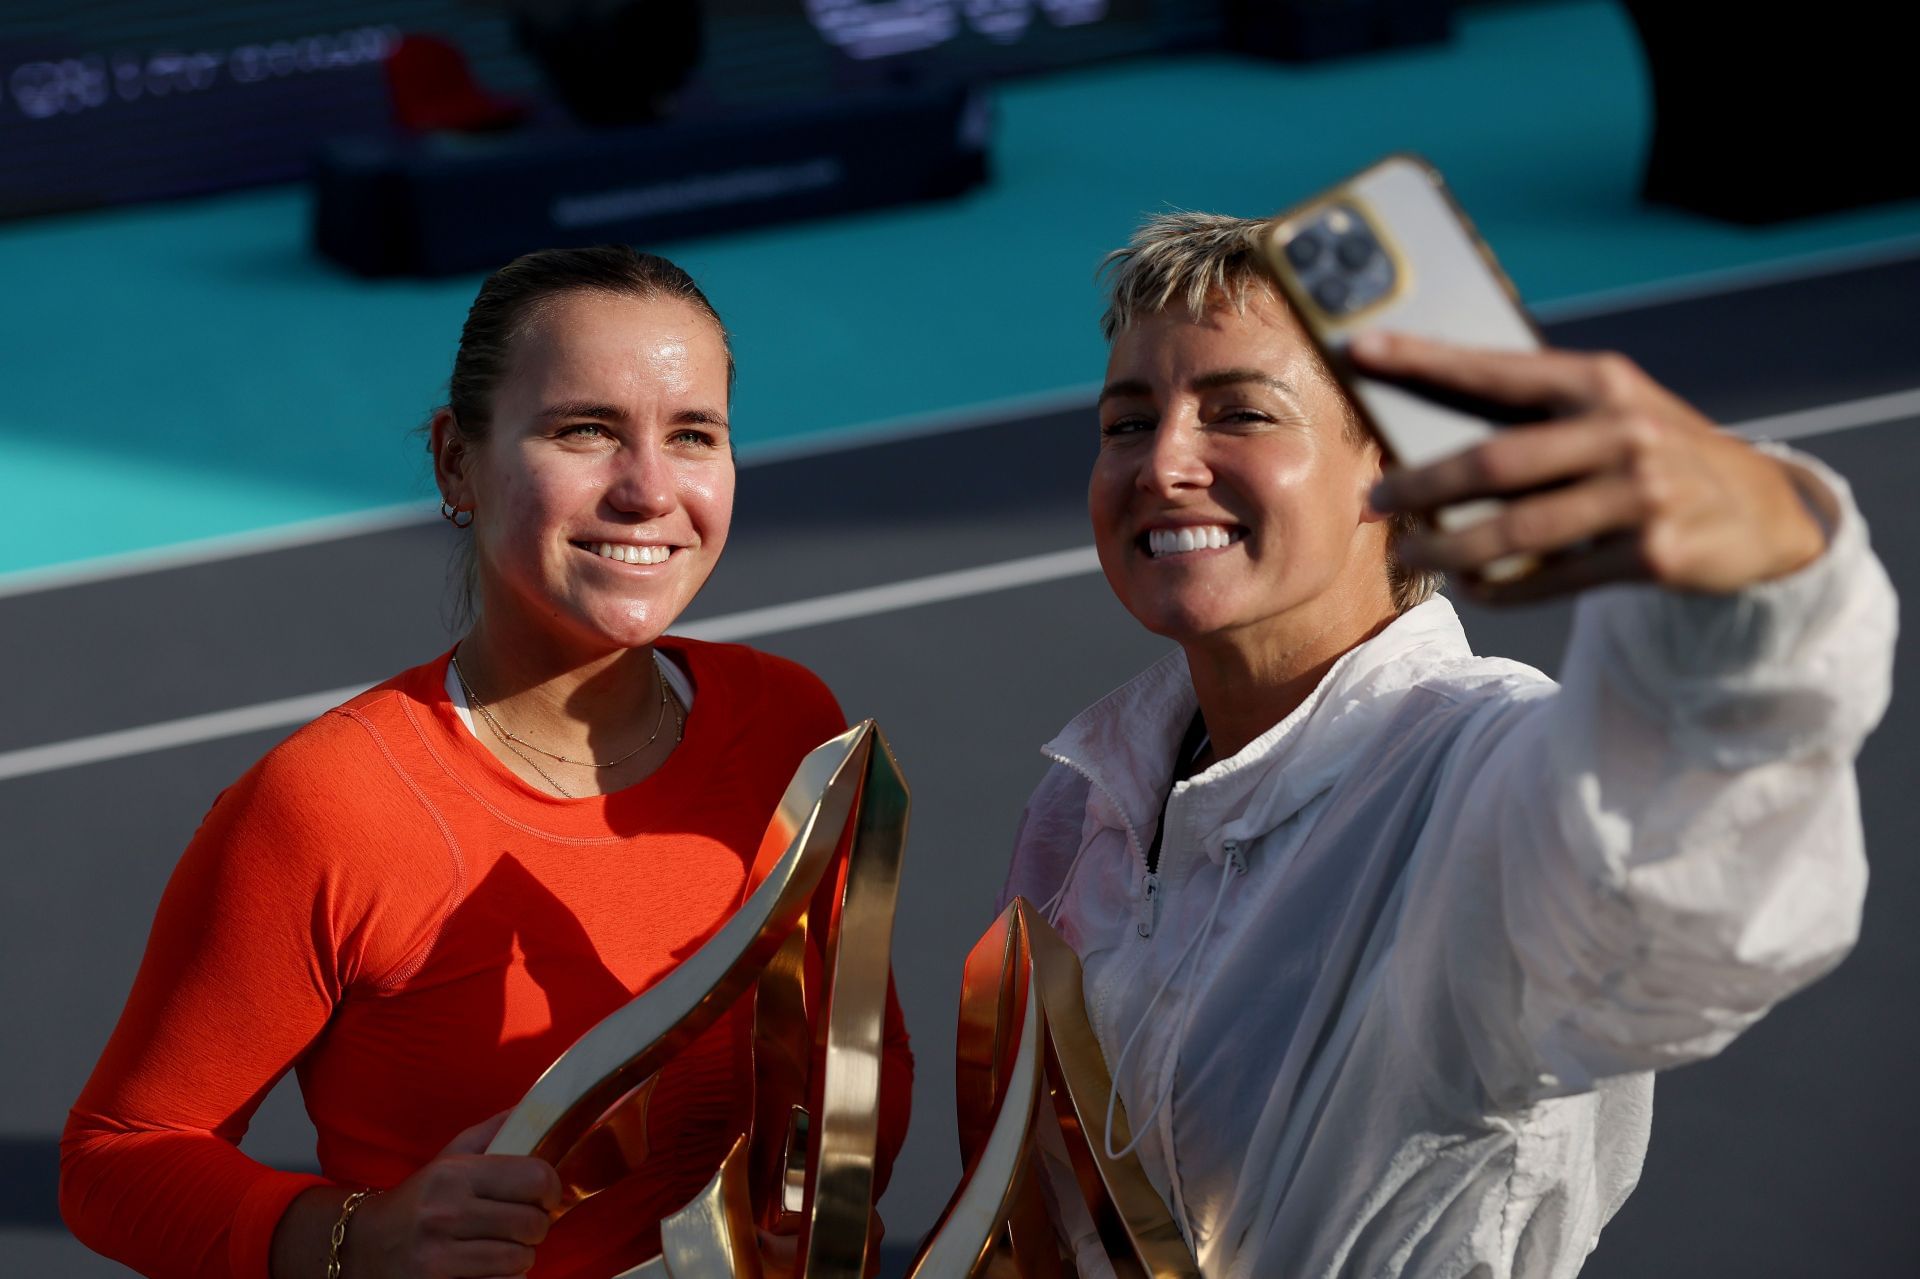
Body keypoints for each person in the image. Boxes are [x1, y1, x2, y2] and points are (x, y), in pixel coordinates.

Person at [998, 213, 1896, 1278]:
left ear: (1393, 465)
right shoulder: (1084, 807)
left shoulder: (1482, 772)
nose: (1165, 463)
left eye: (1241, 412)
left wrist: (1762, 580)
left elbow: (1687, 909)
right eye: (1126, 422)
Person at [61, 246, 914, 1279]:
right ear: (456, 463)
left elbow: (857, 1060)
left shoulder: (791, 722)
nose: (649, 489)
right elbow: (118, 1160)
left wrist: (818, 1210)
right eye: (585, 430)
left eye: (694, 434)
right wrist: (363, 1236)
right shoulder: (328, 806)